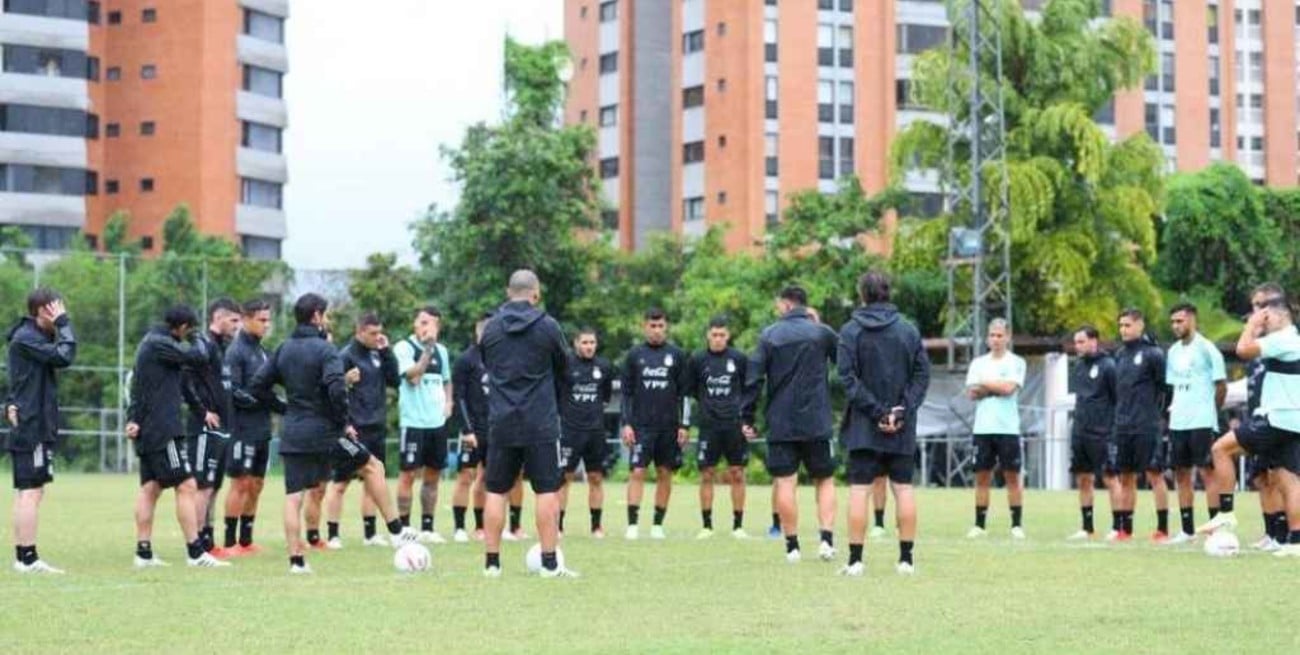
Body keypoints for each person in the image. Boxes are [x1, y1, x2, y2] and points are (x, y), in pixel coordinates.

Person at [246, 294, 416, 574]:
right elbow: (335, 388)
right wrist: (341, 421)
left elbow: (256, 386)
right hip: (326, 431)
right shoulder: (327, 350)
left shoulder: (284, 349)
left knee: (294, 496)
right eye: (324, 315)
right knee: (373, 466)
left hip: (294, 432)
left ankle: (297, 562)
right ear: (315, 316)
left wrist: (285, 408)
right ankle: (397, 532)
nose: (326, 320)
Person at [479, 270, 576, 577]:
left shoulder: (491, 329)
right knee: (547, 489)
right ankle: (550, 563)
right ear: (536, 294)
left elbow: (488, 365)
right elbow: (565, 370)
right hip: (540, 421)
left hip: (502, 421)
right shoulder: (548, 327)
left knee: (496, 490)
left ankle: (492, 564)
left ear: (509, 292)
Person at [836, 271, 929, 576]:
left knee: (859, 491)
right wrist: (900, 411)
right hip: (901, 427)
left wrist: (877, 413)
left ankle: (855, 561)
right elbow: (921, 376)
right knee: (903, 489)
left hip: (864, 425)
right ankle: (906, 560)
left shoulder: (850, 331)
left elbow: (847, 380)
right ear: (888, 292)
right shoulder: (909, 331)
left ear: (862, 293)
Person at [125, 305, 229, 569]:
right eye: (189, 330)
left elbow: (172, 385)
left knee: (151, 488)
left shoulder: (156, 346)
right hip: (164, 429)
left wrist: (201, 411)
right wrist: (197, 337)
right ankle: (196, 552)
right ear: (182, 327)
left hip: (150, 427)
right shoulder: (160, 343)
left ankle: (143, 552)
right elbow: (198, 357)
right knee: (187, 485)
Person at [1200, 288, 1300, 558]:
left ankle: (1226, 512)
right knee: (1287, 478)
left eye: (1265, 316)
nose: (1261, 321)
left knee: (1221, 449)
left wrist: (1252, 327)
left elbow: (1243, 350)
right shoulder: (1291, 339)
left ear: (1280, 316)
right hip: (1291, 419)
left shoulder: (1283, 338)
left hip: (1277, 418)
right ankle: (1295, 541)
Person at [742, 286, 839, 563]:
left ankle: (792, 546)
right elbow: (846, 365)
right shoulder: (822, 333)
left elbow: (753, 380)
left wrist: (747, 417)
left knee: (785, 481)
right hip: (817, 420)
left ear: (784, 305)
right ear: (805, 306)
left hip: (781, 422)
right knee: (825, 479)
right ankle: (826, 541)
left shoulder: (770, 335)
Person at [5, 288, 75, 574]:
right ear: (41, 311)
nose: (59, 312)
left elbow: (19, 381)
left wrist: (9, 404)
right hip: (32, 425)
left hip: (31, 422)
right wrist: (65, 325)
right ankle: (28, 558)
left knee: (29, 491)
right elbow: (65, 356)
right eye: (55, 308)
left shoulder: (30, 337)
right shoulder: (28, 338)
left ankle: (24, 556)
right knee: (31, 491)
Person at [324, 313, 400, 549]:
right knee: (340, 483)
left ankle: (370, 534)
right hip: (354, 429)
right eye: (373, 333)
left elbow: (395, 380)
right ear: (359, 331)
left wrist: (387, 352)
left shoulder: (379, 354)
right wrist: (346, 422)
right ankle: (333, 535)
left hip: (376, 425)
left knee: (373, 479)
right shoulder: (345, 355)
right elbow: (333, 390)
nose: (378, 337)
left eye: (380, 333)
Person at [620, 308, 690, 541]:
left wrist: (684, 425)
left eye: (661, 326)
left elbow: (685, 394)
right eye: (652, 326)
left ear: (666, 327)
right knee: (637, 471)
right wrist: (626, 424)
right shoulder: (634, 355)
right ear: (644, 327)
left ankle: (657, 525)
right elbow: (626, 394)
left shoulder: (677, 355)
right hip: (641, 426)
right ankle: (632, 525)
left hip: (669, 427)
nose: (657, 330)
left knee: (664, 473)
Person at [221, 299, 284, 554]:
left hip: (261, 428)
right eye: (262, 319)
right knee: (240, 483)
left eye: (268, 320)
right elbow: (233, 391)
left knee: (257, 484)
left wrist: (287, 408)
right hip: (241, 428)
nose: (266, 325)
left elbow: (268, 391)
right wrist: (259, 401)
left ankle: (246, 541)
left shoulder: (263, 352)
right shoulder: (236, 352)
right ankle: (229, 541)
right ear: (246, 319)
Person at [1163, 303, 1227, 545]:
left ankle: (1214, 529)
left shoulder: (1207, 348)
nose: (1176, 326)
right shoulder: (1173, 352)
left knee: (1207, 473)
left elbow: (1221, 385)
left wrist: (1211, 411)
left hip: (1201, 421)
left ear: (1192, 319)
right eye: (1173, 322)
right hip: (1178, 421)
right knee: (1181, 474)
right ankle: (1187, 530)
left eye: (1180, 321)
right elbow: (1174, 386)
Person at [183, 298, 241, 557]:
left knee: (214, 485)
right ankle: (195, 545)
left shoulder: (221, 348)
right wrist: (202, 411)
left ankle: (208, 539)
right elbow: (185, 382)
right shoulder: (202, 346)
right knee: (203, 484)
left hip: (223, 426)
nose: (237, 326)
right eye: (234, 320)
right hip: (205, 426)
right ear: (218, 318)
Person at [392, 306, 453, 543]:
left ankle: (427, 527)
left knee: (433, 476)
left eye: (433, 323)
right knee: (408, 475)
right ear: (415, 324)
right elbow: (415, 377)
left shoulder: (443, 351)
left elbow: (446, 379)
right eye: (424, 322)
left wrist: (448, 402)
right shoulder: (404, 348)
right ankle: (404, 529)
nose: (429, 327)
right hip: (413, 422)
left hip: (436, 423)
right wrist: (427, 348)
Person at [687, 316, 751, 540]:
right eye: (714, 335)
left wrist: (746, 420)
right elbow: (692, 391)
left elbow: (748, 390)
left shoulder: (739, 359)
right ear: (708, 335)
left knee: (737, 473)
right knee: (707, 473)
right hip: (709, 426)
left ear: (728, 336)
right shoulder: (697, 359)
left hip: (734, 425)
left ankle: (738, 525)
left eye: (722, 335)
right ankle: (706, 525)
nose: (718, 339)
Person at [964, 318, 1028, 540]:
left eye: (1000, 335)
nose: (996, 339)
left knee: (1012, 476)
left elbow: (1009, 388)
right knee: (982, 477)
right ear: (987, 337)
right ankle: (980, 524)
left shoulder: (1016, 362)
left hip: (1008, 428)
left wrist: (985, 384)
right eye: (992, 335)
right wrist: (995, 386)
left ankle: (1016, 524)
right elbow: (971, 392)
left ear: (1008, 337)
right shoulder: (978, 363)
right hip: (982, 429)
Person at [1111, 309, 1170, 543]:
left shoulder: (1154, 354)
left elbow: (1166, 389)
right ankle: (1125, 529)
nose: (1123, 330)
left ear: (1140, 325)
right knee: (1126, 477)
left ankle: (1163, 529)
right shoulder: (1119, 355)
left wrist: (1158, 415)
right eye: (1121, 325)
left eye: (1127, 325)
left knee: (1155, 474)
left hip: (1147, 425)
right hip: (1123, 425)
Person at [558, 326, 614, 539]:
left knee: (596, 477)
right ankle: (559, 526)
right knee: (564, 478)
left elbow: (606, 397)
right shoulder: (565, 366)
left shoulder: (604, 367)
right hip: (570, 431)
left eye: (592, 343)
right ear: (576, 344)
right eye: (585, 343)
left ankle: (596, 526)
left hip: (595, 432)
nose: (589, 347)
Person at [1066, 325, 1120, 541]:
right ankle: (1087, 527)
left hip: (1103, 432)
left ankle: (1118, 526)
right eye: (1076, 342)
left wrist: (1113, 429)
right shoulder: (1078, 366)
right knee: (1083, 479)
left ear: (1093, 341)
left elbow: (1117, 399)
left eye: (1081, 342)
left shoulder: (1108, 366)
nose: (1077, 346)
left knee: (1110, 478)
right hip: (1080, 431)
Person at [451, 312, 493, 543]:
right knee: (465, 475)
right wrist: (467, 430)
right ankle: (459, 527)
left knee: (487, 478)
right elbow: (459, 398)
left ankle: (480, 526)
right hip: (472, 429)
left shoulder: (499, 358)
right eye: (482, 330)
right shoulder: (466, 360)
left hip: (495, 429)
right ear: (477, 331)